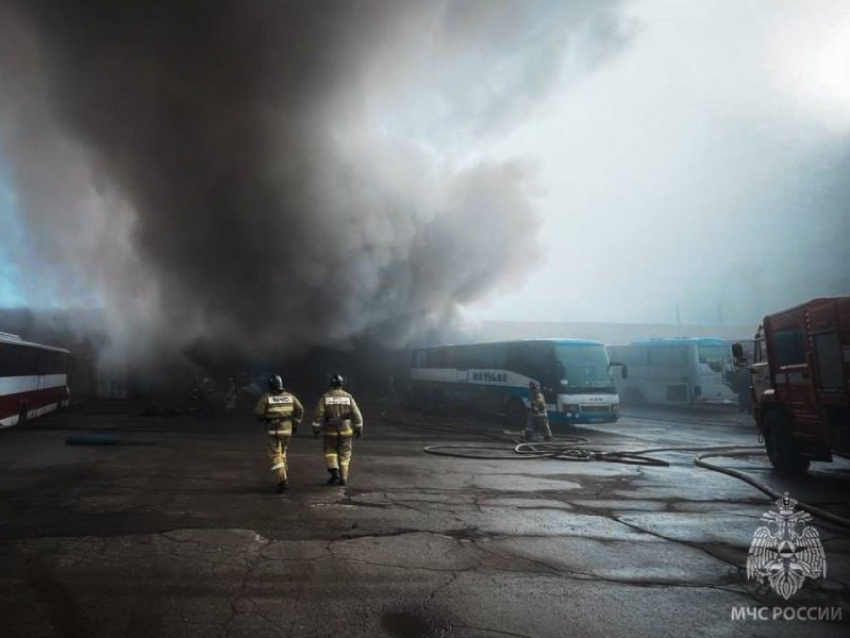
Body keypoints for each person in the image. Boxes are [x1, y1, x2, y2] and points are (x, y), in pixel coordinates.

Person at [254, 375, 304, 493]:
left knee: (275, 455)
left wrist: (265, 418)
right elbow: (300, 409)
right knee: (283, 452)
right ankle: (284, 473)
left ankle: (282, 480)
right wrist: (296, 424)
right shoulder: (289, 396)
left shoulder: (266, 397)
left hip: (274, 430)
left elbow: (259, 413)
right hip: (287, 430)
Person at [312, 374, 363, 486]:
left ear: (330, 384)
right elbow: (356, 413)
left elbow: (318, 414)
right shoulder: (348, 396)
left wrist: (316, 427)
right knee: (345, 454)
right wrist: (358, 427)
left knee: (330, 451)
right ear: (342, 384)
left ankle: (334, 470)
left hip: (330, 431)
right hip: (346, 430)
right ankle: (343, 477)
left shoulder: (326, 396)